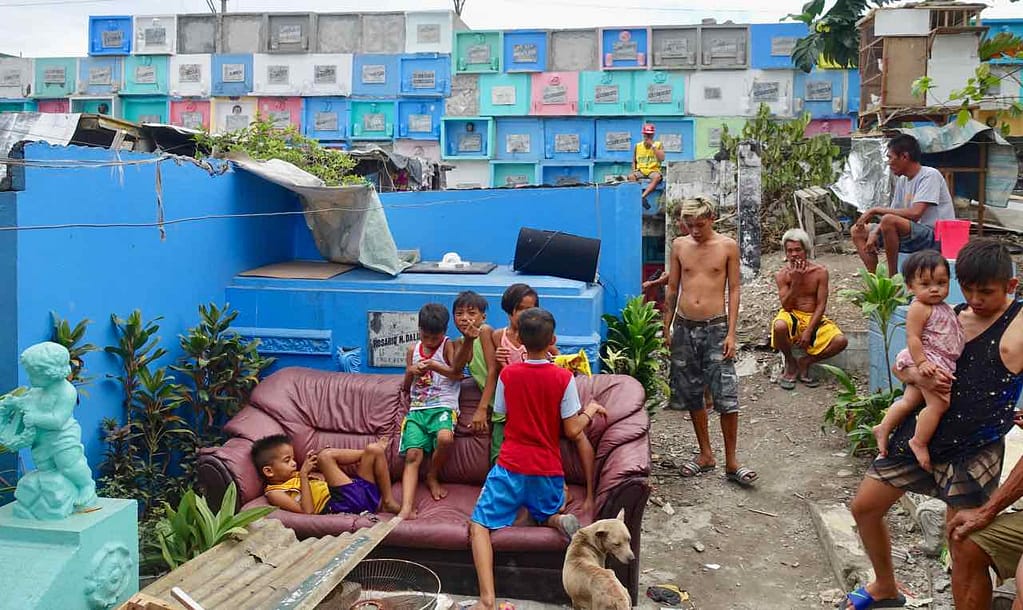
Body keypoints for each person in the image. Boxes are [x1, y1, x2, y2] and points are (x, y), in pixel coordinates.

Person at [840, 239, 1023, 610]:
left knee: (962, 544)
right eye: (967, 289)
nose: (974, 299)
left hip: (975, 447)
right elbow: (907, 360)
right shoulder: (951, 314)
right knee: (864, 507)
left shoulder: (1018, 325)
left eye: (985, 291)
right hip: (923, 431)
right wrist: (917, 377)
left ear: (1011, 286)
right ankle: (885, 585)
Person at [469, 307, 607, 610]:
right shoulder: (562, 377)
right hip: (547, 470)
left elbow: (502, 411)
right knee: (543, 510)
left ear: (519, 339)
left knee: (479, 525)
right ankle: (556, 518)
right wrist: (591, 410)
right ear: (553, 340)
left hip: (510, 466)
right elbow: (572, 429)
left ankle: (487, 599)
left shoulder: (508, 374)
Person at [664, 196, 757, 487]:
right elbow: (673, 287)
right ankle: (706, 454)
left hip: (715, 327)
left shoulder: (727, 246)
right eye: (689, 225)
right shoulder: (679, 246)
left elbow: (735, 289)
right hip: (684, 326)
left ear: (712, 219)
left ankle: (732, 461)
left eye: (700, 225)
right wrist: (666, 326)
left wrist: (732, 332)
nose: (694, 230)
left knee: (725, 395)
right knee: (692, 392)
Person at [492, 283, 597, 514]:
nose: (524, 314)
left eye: (529, 308)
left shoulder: (539, 332)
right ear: (509, 311)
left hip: (547, 401)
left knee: (578, 436)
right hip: (526, 408)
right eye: (519, 309)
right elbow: (498, 378)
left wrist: (564, 362)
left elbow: (558, 361)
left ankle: (590, 493)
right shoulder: (499, 337)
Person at [872, 250, 965, 472]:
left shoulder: (943, 307)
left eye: (941, 283)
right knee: (939, 404)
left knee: (909, 401)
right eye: (925, 284)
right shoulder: (919, 307)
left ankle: (883, 427)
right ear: (910, 287)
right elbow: (913, 337)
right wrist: (922, 363)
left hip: (935, 360)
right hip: (927, 361)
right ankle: (919, 441)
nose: (935, 289)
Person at [399, 302, 474, 519]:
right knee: (413, 454)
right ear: (419, 329)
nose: (431, 342)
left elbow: (457, 374)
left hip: (443, 406)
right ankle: (406, 507)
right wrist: (411, 371)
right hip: (418, 409)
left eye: (435, 337)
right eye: (426, 337)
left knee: (445, 438)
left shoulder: (448, 346)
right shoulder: (413, 350)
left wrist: (432, 365)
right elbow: (406, 387)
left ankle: (432, 475)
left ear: (444, 332)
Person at [851, 133, 956, 275]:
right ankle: (875, 280)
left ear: (904, 157)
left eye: (890, 157)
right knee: (858, 231)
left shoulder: (929, 175)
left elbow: (915, 213)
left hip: (935, 236)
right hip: (913, 233)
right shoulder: (903, 180)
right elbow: (893, 213)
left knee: (889, 220)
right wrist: (874, 232)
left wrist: (875, 210)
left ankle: (893, 277)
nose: (888, 162)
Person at [772, 228, 848, 390]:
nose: (794, 255)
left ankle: (805, 361)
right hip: (792, 314)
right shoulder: (782, 275)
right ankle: (790, 362)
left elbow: (821, 304)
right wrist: (796, 282)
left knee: (841, 341)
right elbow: (786, 306)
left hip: (813, 316)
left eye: (797, 250)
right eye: (790, 251)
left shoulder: (820, 272)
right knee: (778, 326)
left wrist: (809, 331)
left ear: (806, 250)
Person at [252, 434, 401, 516]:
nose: (294, 463)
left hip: (359, 495)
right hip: (343, 505)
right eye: (287, 460)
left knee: (374, 449)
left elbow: (327, 481)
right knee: (326, 456)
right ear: (269, 471)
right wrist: (304, 474)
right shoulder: (274, 493)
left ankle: (388, 500)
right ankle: (366, 454)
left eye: (292, 458)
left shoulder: (294, 475)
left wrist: (317, 461)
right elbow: (308, 512)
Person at [628, 123, 665, 209]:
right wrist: (634, 170)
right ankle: (637, 195)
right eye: (646, 135)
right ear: (643, 135)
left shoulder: (658, 144)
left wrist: (653, 146)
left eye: (650, 135)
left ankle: (642, 196)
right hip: (641, 170)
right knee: (630, 177)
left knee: (657, 177)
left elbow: (662, 158)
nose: (647, 137)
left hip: (653, 170)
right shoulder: (638, 146)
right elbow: (634, 161)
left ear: (653, 135)